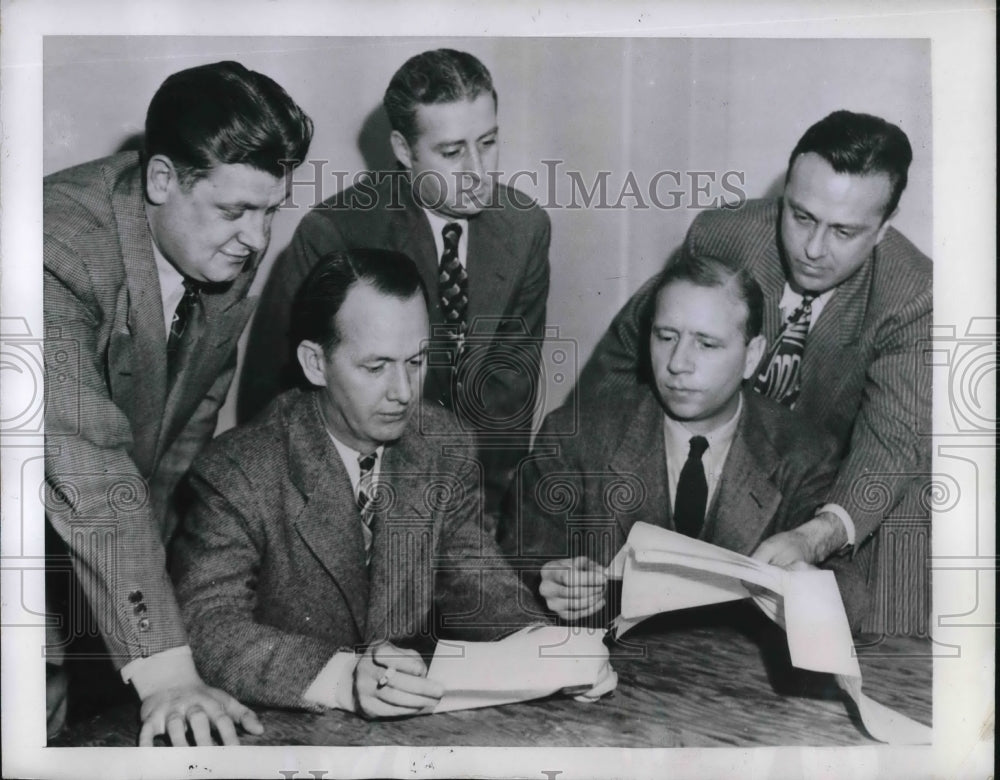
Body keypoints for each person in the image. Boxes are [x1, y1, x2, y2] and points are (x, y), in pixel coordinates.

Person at [171, 249, 614, 717]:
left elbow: (476, 581)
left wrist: (554, 653)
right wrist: (342, 677)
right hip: (282, 730)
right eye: (376, 367)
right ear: (315, 363)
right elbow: (205, 627)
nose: (403, 392)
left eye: (417, 361)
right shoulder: (238, 470)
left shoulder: (442, 444)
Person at [570, 110, 932, 628]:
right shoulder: (725, 234)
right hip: (720, 463)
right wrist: (574, 461)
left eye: (844, 231)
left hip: (826, 486)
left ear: (882, 231)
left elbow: (892, 442)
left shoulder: (913, 293)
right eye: (801, 216)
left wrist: (818, 533)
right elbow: (628, 348)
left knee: (907, 508)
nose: (812, 248)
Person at [43, 60, 313, 744]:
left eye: (269, 212)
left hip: (91, 549)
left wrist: (156, 631)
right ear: (161, 179)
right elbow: (92, 470)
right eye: (235, 211)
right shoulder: (53, 251)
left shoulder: (220, 248)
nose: (255, 239)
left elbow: (177, 438)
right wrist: (166, 672)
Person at [240, 48, 551, 516]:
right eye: (451, 152)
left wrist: (475, 514)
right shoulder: (336, 231)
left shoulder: (525, 227)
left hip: (466, 494)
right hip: (344, 495)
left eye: (487, 143)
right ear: (404, 150)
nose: (477, 172)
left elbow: (510, 393)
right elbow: (277, 397)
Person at [501, 253, 841, 623]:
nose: (677, 363)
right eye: (665, 337)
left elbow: (849, 589)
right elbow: (514, 563)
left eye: (706, 344)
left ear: (752, 356)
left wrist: (811, 591)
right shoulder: (576, 435)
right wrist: (545, 581)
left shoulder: (806, 454)